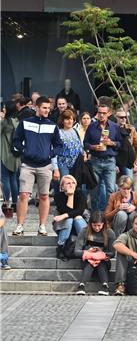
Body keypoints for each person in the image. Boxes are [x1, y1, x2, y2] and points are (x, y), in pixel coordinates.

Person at [12, 96, 63, 236]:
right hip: (27, 164)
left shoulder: (52, 125)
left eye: (48, 108)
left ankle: (42, 226)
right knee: (23, 195)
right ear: (36, 107)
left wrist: (50, 154)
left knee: (44, 196)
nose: (47, 110)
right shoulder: (25, 123)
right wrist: (24, 151)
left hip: (45, 166)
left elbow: (59, 145)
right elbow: (16, 140)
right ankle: (19, 226)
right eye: (44, 108)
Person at [83, 101, 122, 212]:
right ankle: (95, 215)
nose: (101, 115)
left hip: (109, 161)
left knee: (111, 189)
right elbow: (85, 143)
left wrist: (112, 143)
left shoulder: (114, 127)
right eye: (99, 112)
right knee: (95, 190)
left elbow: (120, 144)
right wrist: (93, 147)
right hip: (95, 160)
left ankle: (109, 214)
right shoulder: (91, 126)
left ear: (109, 113)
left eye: (104, 113)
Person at [73, 211, 116, 295]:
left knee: (100, 261)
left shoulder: (110, 233)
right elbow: (76, 251)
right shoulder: (84, 231)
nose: (97, 228)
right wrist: (89, 252)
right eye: (94, 225)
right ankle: (82, 285)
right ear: (90, 224)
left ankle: (105, 285)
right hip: (88, 260)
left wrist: (101, 254)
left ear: (103, 224)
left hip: (103, 260)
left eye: (99, 225)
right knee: (91, 260)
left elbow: (112, 253)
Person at [52, 175, 88, 260]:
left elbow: (80, 211)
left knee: (77, 218)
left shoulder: (80, 193)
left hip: (80, 225)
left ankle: (85, 245)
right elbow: (66, 211)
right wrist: (70, 196)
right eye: (68, 183)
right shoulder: (58, 196)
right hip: (64, 226)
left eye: (73, 183)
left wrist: (64, 215)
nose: (71, 185)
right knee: (69, 219)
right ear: (62, 187)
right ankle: (60, 247)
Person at [1, 102, 20, 214]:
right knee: (13, 179)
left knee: (5, 179)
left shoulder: (5, 122)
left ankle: (6, 203)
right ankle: (15, 203)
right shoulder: (17, 122)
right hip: (16, 156)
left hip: (4, 154)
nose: (3, 109)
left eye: (4, 108)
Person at [114, 110, 137, 180]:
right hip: (115, 161)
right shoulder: (111, 128)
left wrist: (136, 163)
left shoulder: (131, 129)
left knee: (129, 184)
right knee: (112, 187)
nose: (124, 119)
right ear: (116, 118)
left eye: (125, 117)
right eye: (121, 117)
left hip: (128, 161)